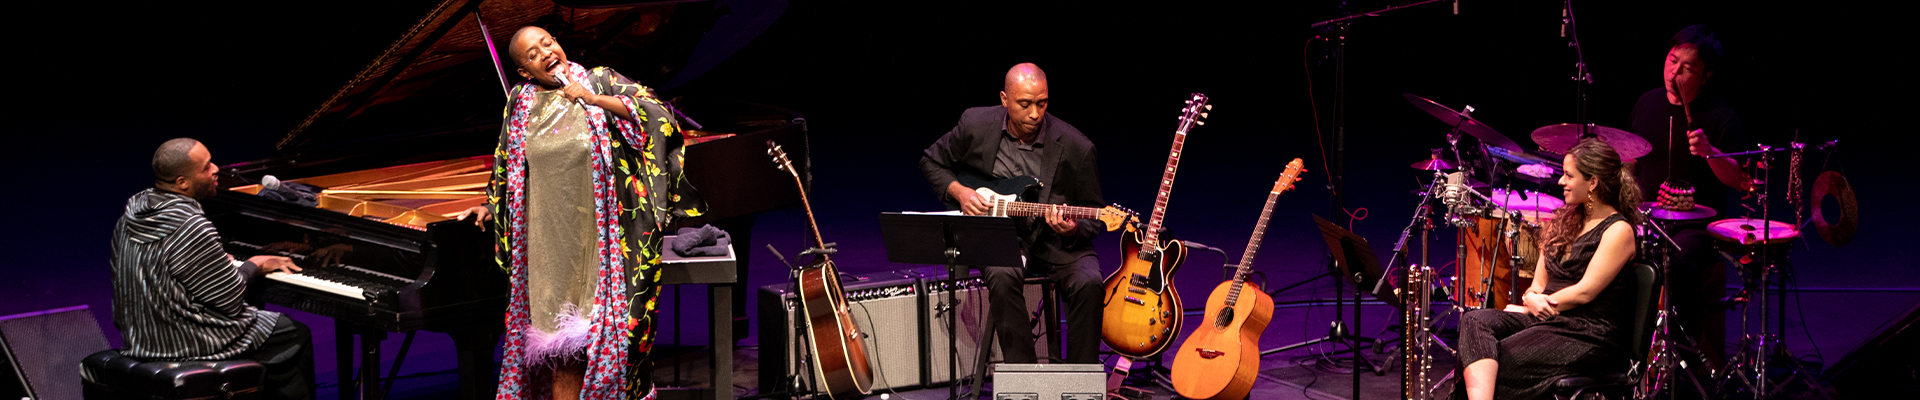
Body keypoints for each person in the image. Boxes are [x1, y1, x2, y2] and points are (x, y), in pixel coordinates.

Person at [459, 26, 701, 399]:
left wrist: (592, 99)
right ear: (525, 72)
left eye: (547, 42)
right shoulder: (520, 102)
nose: (546, 52)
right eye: (533, 54)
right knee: (563, 352)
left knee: (617, 346)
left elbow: (657, 116)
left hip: (606, 237)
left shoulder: (598, 79)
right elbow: (507, 161)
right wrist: (492, 204)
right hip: (548, 245)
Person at [918, 63, 1106, 364]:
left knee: (1089, 284)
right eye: (1025, 104)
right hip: (1001, 236)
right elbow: (931, 161)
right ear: (1005, 99)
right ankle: (1025, 378)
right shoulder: (975, 123)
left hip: (1056, 243)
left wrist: (1071, 229)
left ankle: (1080, 382)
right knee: (1003, 277)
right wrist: (960, 192)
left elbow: (1093, 214)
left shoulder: (1076, 147)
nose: (1035, 113)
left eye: (1042, 103)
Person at [110, 138, 316, 400]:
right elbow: (229, 301)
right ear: (182, 183)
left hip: (140, 336)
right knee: (293, 332)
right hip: (184, 341)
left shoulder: (129, 218)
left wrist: (214, 261)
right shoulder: (192, 225)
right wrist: (257, 263)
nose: (216, 169)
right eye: (206, 167)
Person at [1458, 138, 1642, 400]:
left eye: (1569, 175)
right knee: (1474, 321)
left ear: (1593, 182)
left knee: (1500, 358)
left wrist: (1538, 303)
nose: (1560, 181)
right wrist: (1531, 297)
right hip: (1548, 318)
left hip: (1587, 333)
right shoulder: (1563, 221)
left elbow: (1584, 292)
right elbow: (1536, 286)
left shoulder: (1618, 230)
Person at [1627, 24, 1748, 368]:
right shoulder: (1646, 102)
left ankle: (1678, 361)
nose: (1674, 72)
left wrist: (1711, 153)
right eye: (1672, 60)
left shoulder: (1722, 117)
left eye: (1687, 67)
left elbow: (1741, 181)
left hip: (1698, 228)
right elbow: (1631, 162)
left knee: (1677, 267)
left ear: (1706, 76)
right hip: (1648, 218)